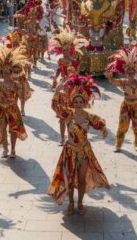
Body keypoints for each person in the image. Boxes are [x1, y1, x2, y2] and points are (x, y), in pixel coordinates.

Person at [46, 74, 109, 215]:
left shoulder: (89, 116)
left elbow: (99, 123)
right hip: (70, 151)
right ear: (73, 102)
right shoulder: (68, 114)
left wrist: (103, 129)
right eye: (76, 101)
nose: (78, 104)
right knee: (69, 179)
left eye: (81, 101)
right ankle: (71, 203)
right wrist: (57, 90)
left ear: (85, 102)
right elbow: (55, 106)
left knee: (81, 180)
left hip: (84, 152)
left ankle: (80, 202)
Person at [106, 42, 137, 152]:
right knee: (123, 125)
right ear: (125, 71)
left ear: (135, 71)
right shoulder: (123, 82)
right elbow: (114, 82)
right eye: (128, 70)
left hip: (136, 105)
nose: (130, 72)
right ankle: (118, 144)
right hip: (126, 105)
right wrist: (110, 77)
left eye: (132, 70)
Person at [49, 28, 86, 144]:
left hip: (72, 87)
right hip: (63, 85)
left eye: (67, 50)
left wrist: (74, 79)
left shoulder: (75, 61)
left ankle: (73, 137)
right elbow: (59, 70)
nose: (65, 52)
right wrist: (55, 76)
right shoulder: (60, 60)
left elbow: (77, 75)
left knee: (72, 117)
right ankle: (61, 138)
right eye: (64, 50)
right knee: (62, 117)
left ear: (71, 50)